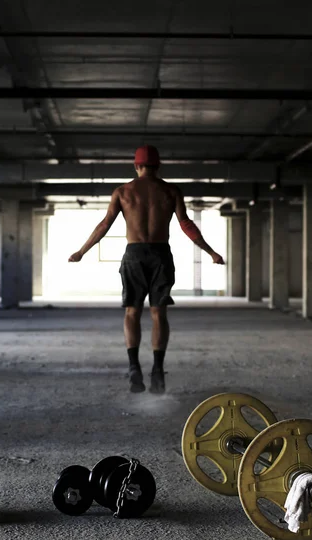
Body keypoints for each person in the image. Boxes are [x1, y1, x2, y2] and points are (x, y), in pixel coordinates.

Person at [68, 145, 225, 394]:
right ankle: (158, 372)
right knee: (158, 313)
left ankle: (134, 368)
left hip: (134, 255)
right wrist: (211, 252)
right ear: (158, 166)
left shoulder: (123, 192)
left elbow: (105, 224)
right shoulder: (171, 190)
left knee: (132, 312)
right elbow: (186, 224)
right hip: (161, 255)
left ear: (136, 166)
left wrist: (81, 251)